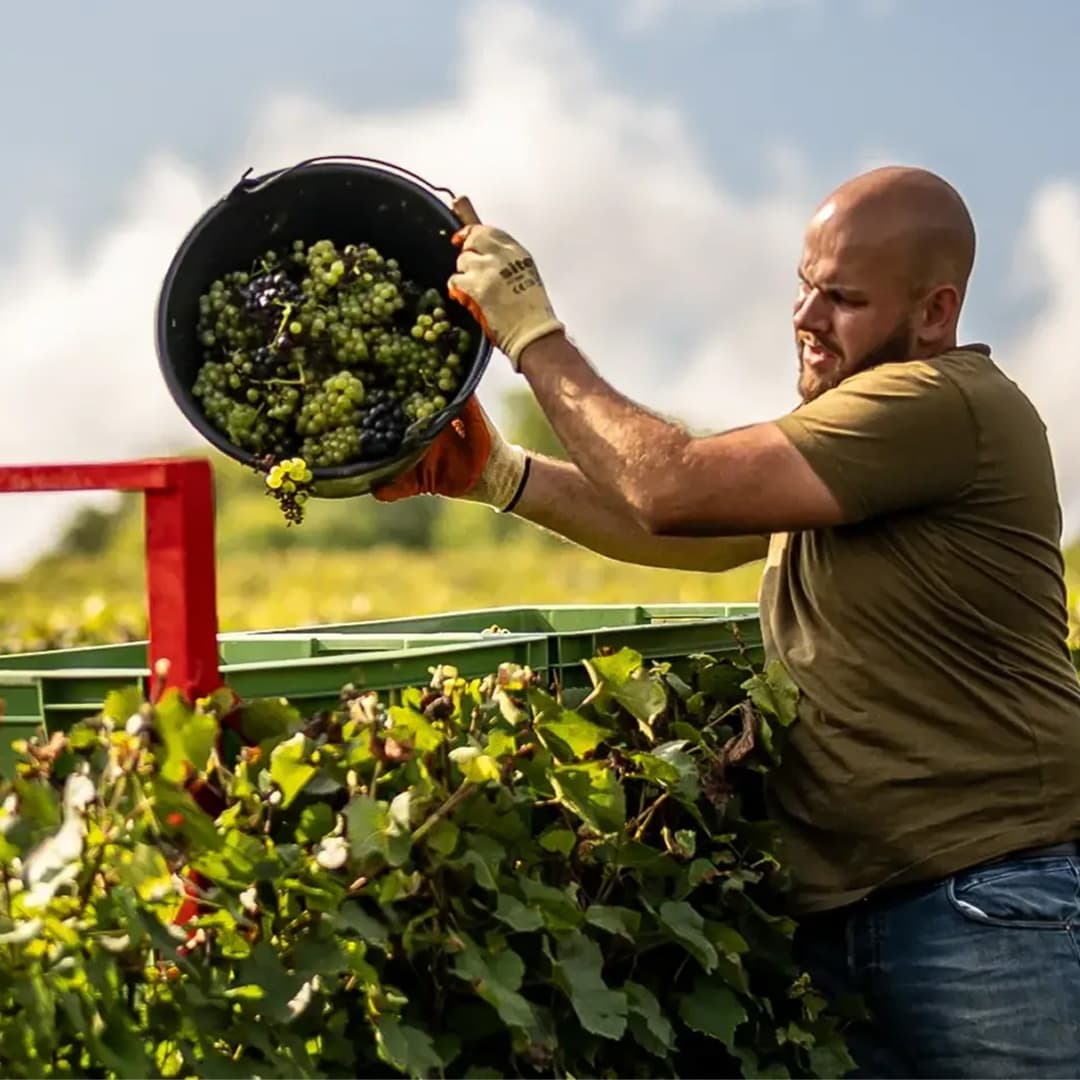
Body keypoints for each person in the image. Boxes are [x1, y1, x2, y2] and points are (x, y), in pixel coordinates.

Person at [374, 165, 1080, 1077]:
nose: (808, 317)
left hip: (986, 912)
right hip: (873, 919)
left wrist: (532, 335)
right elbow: (698, 530)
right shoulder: (861, 443)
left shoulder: (942, 406)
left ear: (935, 313)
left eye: (845, 299)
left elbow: (674, 488)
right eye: (805, 285)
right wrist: (499, 475)